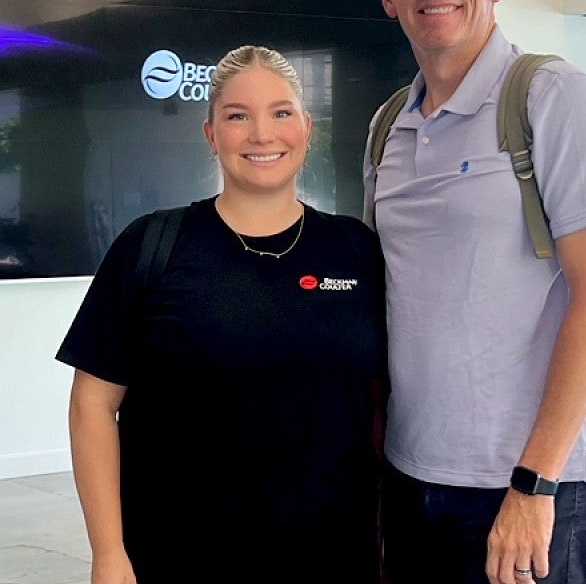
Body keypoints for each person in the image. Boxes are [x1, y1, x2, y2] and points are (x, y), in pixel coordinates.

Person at [364, 0, 586, 583]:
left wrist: (535, 483)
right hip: (412, 477)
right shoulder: (387, 128)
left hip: (525, 486)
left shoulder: (554, 99)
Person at [58, 45, 387, 584]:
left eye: (281, 113)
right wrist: (109, 553)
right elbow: (91, 406)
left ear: (306, 128)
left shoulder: (355, 249)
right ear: (212, 135)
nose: (262, 134)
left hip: (333, 556)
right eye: (238, 116)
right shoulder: (152, 247)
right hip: (180, 556)